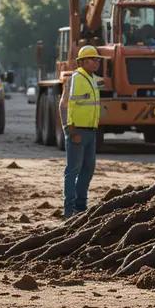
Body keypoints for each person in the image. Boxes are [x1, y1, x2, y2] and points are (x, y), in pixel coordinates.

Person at [61, 45, 105, 219]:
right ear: (83, 61)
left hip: (90, 132)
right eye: (93, 59)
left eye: (97, 60)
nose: (97, 62)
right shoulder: (75, 78)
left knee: (88, 169)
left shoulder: (93, 79)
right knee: (73, 170)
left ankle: (81, 208)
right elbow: (64, 105)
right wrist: (70, 129)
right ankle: (69, 211)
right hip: (77, 131)